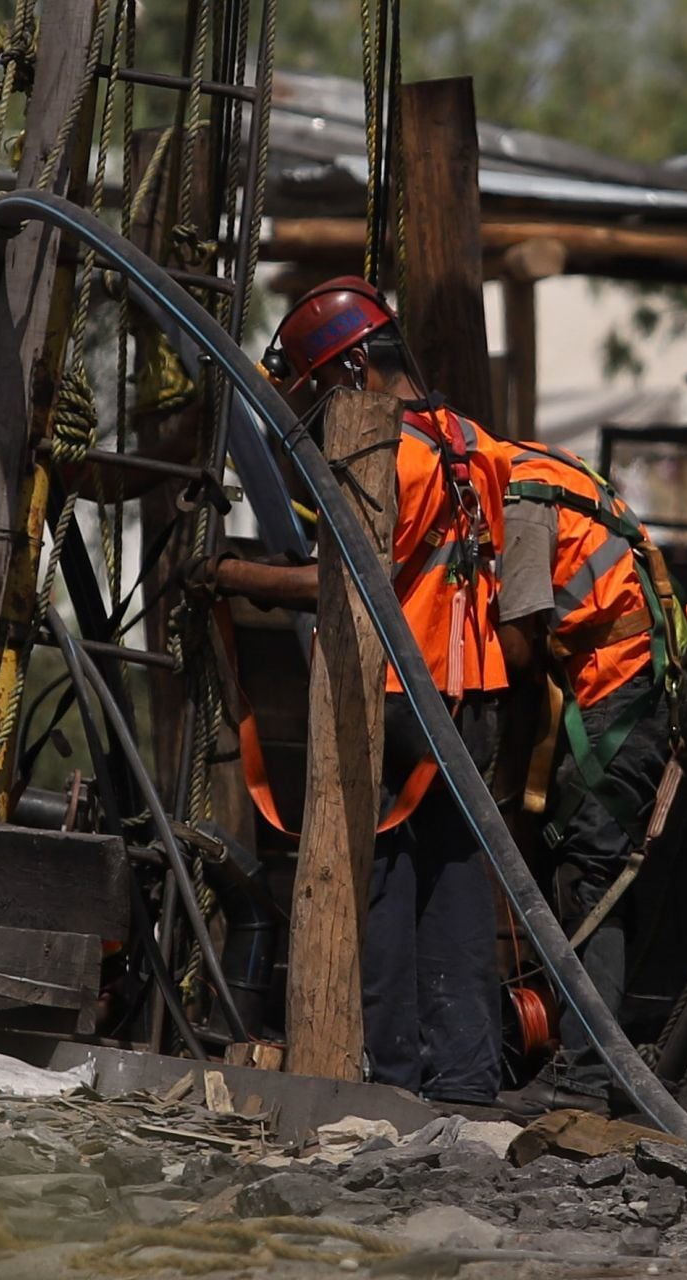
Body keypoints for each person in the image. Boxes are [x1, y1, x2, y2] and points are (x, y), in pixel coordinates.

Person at [191, 276, 512, 1105]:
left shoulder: (386, 454)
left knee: (378, 882)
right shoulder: (474, 445)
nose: (325, 409)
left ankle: (387, 1077)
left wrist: (232, 576)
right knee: (455, 884)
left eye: (324, 388)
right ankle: (466, 1076)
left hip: (404, 697)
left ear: (354, 368)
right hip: (474, 695)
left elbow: (340, 581)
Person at [492, 439, 682, 1116]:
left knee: (591, 878)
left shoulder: (521, 498)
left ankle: (587, 1077)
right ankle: (586, 1059)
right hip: (627, 688)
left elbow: (518, 648)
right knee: (585, 872)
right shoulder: (543, 469)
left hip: (620, 695)